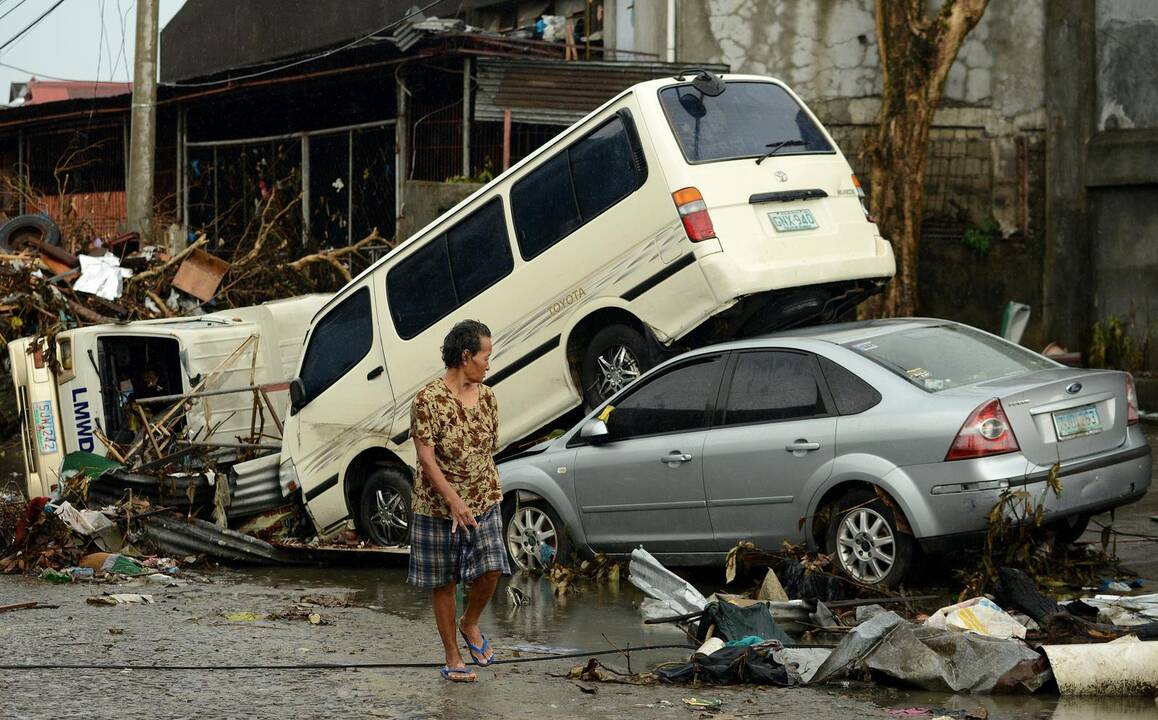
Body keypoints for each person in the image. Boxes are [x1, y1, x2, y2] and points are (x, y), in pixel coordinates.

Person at [407, 319, 509, 683]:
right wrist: (452, 499)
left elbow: (487, 449)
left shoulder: (489, 397)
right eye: (485, 357)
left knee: (494, 567)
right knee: (445, 582)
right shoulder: (427, 400)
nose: (488, 364)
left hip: (484, 498)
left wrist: (474, 494)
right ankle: (452, 655)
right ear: (466, 356)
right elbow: (426, 457)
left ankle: (471, 622)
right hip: (438, 506)